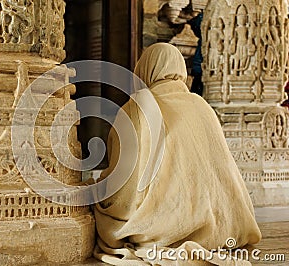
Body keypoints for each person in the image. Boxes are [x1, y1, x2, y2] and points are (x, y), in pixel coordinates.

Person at [94, 43, 261, 265]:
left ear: (145, 68)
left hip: (160, 228)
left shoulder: (138, 107)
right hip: (224, 226)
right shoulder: (200, 105)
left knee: (99, 200)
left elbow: (124, 184)